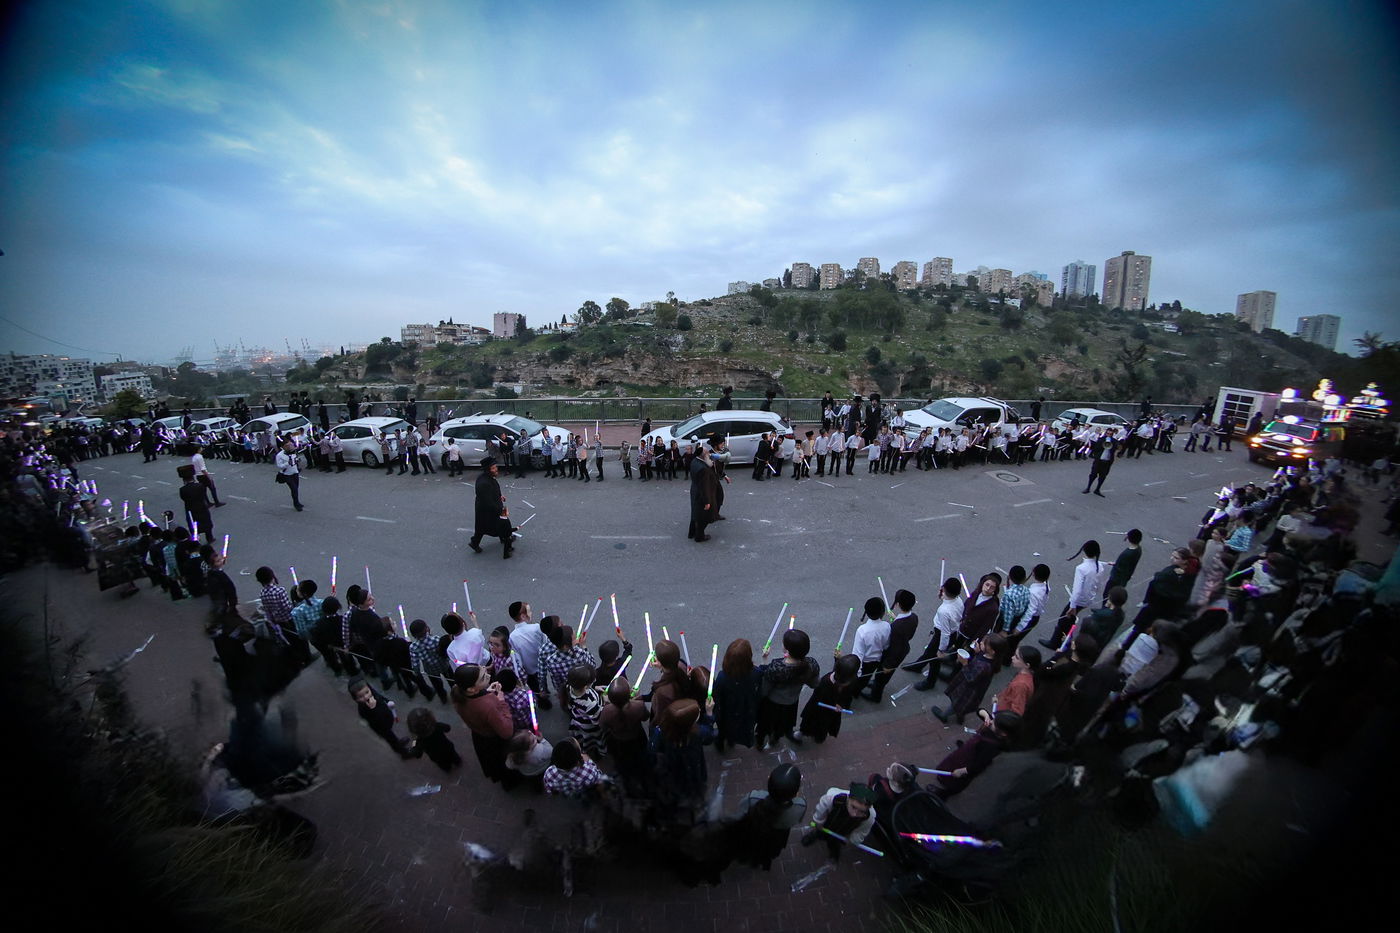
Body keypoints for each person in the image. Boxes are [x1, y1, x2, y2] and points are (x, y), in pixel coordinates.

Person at [731, 764, 807, 871]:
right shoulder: (801, 806)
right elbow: (797, 820)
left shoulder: (753, 798)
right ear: (796, 793)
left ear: (768, 780)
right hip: (777, 839)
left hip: (753, 833)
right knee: (768, 853)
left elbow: (739, 815)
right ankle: (765, 864)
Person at [929, 711, 1021, 798]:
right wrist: (986, 715)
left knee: (957, 782)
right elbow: (980, 711)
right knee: (951, 765)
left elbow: (979, 765)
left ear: (1002, 733)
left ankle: (944, 794)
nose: (991, 721)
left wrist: (963, 771)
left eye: (993, 722)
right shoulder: (994, 728)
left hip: (967, 764)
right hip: (970, 752)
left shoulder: (990, 747)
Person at [756, 628, 820, 749]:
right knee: (783, 724)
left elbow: (764, 689)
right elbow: (815, 684)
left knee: (766, 724)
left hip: (773, 704)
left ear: (787, 649)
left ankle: (760, 742)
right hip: (792, 702)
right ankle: (776, 738)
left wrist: (765, 660)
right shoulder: (811, 665)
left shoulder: (777, 667)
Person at [451, 664, 514, 783]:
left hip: (479, 736)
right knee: (502, 764)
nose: (489, 676)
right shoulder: (487, 705)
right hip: (494, 741)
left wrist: (485, 691)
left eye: (485, 672)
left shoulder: (458, 695)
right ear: (471, 689)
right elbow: (507, 732)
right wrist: (501, 702)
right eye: (483, 677)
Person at [931, 633, 1006, 724]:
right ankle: (960, 716)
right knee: (964, 704)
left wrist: (964, 664)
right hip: (974, 690)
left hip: (968, 689)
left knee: (957, 703)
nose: (981, 642)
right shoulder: (992, 659)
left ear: (992, 651)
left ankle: (944, 716)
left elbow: (971, 678)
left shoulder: (984, 666)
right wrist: (977, 652)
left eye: (984, 643)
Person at [801, 783, 878, 861]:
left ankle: (834, 852)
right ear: (848, 798)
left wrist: (853, 840)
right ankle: (815, 835)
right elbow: (821, 811)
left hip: (843, 831)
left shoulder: (869, 817)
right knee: (819, 832)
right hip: (827, 824)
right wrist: (818, 822)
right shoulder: (833, 799)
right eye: (853, 807)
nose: (854, 814)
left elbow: (861, 831)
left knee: (834, 843)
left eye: (861, 811)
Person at [712, 638, 761, 753]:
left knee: (724, 730)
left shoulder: (722, 678)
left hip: (727, 712)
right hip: (745, 710)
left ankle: (721, 743)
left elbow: (717, 696)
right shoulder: (755, 673)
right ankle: (732, 741)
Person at [798, 654, 860, 743]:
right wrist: (836, 704)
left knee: (823, 726)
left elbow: (847, 696)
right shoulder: (825, 682)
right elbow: (818, 696)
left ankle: (819, 737)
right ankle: (803, 732)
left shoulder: (851, 680)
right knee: (811, 722)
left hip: (830, 711)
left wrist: (841, 704)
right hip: (818, 708)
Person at [348, 678, 409, 758]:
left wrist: (387, 701)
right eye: (360, 696)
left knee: (392, 735)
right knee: (391, 740)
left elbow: (379, 696)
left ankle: (398, 742)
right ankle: (403, 753)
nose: (366, 697)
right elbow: (376, 721)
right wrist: (373, 709)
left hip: (387, 719)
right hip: (382, 728)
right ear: (356, 699)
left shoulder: (372, 693)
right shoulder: (362, 710)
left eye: (367, 692)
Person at [468, 457, 514, 558]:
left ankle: (475, 542)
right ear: (487, 470)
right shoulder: (484, 483)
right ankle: (506, 542)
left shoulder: (488, 477)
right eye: (493, 468)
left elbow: (494, 489)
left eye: (495, 467)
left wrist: (500, 496)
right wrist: (501, 511)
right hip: (488, 510)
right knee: (502, 525)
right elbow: (488, 502)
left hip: (488, 508)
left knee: (482, 528)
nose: (496, 469)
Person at [543, 736, 610, 800]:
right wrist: (588, 760)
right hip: (583, 793)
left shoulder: (549, 773)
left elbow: (549, 788)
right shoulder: (589, 772)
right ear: (578, 760)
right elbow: (599, 778)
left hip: (567, 795)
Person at [849, 596, 890, 697]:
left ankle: (855, 692)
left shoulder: (862, 630)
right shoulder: (887, 626)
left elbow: (858, 654)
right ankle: (861, 687)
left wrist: (857, 673)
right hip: (877, 660)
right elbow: (886, 644)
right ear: (883, 612)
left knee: (860, 680)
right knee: (867, 677)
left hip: (865, 662)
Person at [406, 708, 462, 772]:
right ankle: (458, 762)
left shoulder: (418, 741)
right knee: (454, 756)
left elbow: (418, 754)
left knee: (443, 764)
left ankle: (447, 768)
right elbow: (448, 728)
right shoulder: (437, 726)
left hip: (436, 756)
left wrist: (414, 740)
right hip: (448, 748)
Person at [687, 439, 719, 542]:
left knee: (695, 513)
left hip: (695, 491)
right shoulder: (703, 469)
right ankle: (700, 536)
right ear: (703, 455)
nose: (709, 455)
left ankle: (692, 532)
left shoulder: (694, 461)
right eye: (707, 453)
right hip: (702, 495)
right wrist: (707, 502)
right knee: (703, 517)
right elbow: (704, 486)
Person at [1082, 430, 1118, 496]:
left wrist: (1112, 445)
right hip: (1099, 461)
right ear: (1105, 433)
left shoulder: (1114, 441)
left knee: (1102, 476)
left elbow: (1116, 448)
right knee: (1093, 475)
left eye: (1110, 434)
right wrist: (1103, 445)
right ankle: (1088, 488)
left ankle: (1097, 489)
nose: (1109, 435)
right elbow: (1095, 449)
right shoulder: (1101, 440)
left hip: (1107, 462)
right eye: (1108, 433)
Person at [190, 442, 225, 507]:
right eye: (201, 448)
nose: (202, 449)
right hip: (203, 475)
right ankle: (216, 502)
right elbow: (203, 469)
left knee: (204, 490)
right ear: (198, 449)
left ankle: (207, 503)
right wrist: (208, 476)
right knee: (212, 488)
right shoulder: (199, 457)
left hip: (198, 475)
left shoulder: (194, 457)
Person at [274, 440, 304, 511]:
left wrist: (297, 460)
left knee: (296, 488)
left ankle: (297, 502)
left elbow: (295, 460)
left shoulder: (293, 452)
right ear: (282, 447)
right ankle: (296, 504)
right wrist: (287, 463)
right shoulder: (279, 455)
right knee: (294, 489)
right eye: (287, 446)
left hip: (295, 472)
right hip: (287, 474)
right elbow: (280, 466)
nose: (289, 447)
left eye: (290, 445)